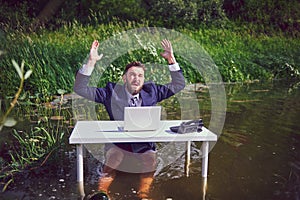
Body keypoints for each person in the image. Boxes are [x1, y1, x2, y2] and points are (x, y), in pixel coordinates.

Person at [74, 39, 185, 200]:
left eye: (140, 75)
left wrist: (171, 60)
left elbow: (179, 84)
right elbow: (80, 88)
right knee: (114, 158)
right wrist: (90, 62)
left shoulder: (152, 91)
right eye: (132, 74)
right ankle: (102, 194)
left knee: (149, 159)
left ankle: (143, 195)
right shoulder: (111, 92)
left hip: (144, 144)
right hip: (118, 144)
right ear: (124, 78)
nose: (136, 78)